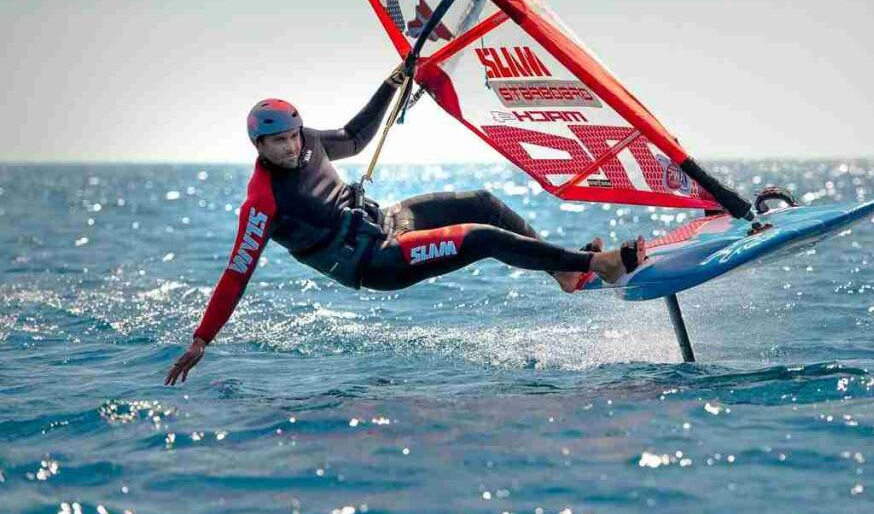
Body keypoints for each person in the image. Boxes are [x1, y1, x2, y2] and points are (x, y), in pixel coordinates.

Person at [164, 66, 645, 385]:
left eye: (292, 137)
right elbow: (235, 274)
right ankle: (597, 265)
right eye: (278, 143)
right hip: (377, 261)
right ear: (259, 146)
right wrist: (202, 338)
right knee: (479, 239)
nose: (291, 148)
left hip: (387, 220)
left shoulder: (310, 142)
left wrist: (395, 80)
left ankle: (563, 273)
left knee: (483, 203)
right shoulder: (261, 202)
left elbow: (354, 137)